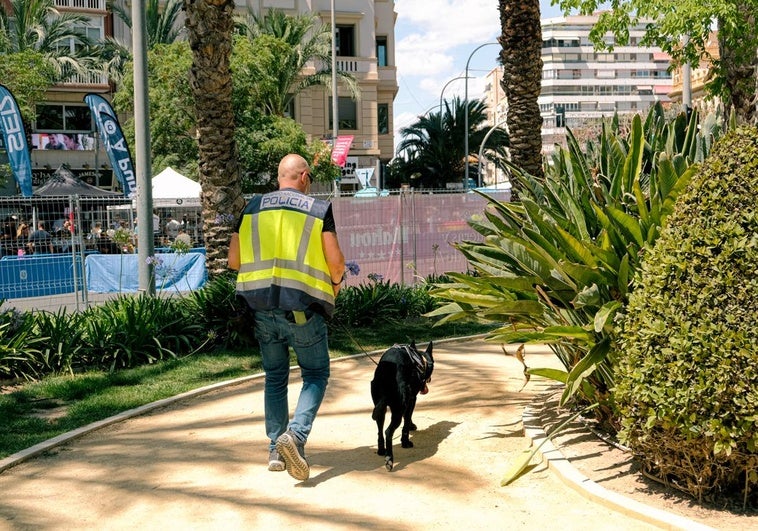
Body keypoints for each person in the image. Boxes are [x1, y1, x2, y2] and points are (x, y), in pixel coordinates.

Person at [228, 153, 345, 481]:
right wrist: (334, 287)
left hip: (263, 310)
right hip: (303, 311)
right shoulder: (318, 210)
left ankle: (274, 452)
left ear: (280, 176)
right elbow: (336, 264)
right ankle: (295, 435)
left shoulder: (251, 208)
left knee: (275, 377)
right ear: (305, 177)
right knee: (317, 373)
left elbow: (234, 260)